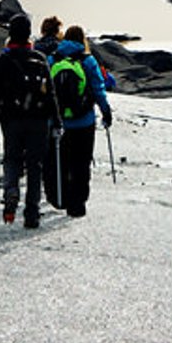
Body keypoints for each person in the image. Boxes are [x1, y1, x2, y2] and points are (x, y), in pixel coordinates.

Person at [0, 14, 56, 229]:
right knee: (35, 166)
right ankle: (32, 213)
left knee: (12, 160)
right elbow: (50, 94)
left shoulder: (2, 61)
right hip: (38, 121)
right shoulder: (40, 58)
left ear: (10, 34)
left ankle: (11, 191)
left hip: (11, 120)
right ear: (28, 33)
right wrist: (58, 122)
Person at [50, 24, 113, 218]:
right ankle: (78, 204)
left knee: (62, 161)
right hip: (84, 121)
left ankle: (61, 197)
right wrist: (106, 111)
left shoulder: (53, 59)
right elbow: (98, 89)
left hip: (59, 122)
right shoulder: (88, 60)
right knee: (81, 162)